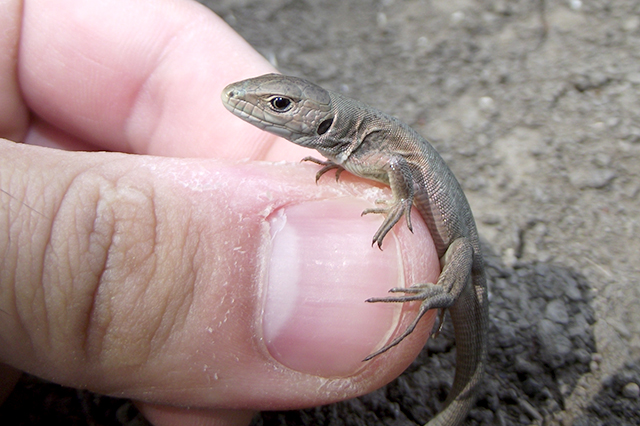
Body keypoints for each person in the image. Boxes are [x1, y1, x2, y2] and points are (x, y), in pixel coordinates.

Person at [0, 1, 440, 425]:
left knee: (460, 270)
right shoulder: (348, 145)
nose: (251, 102)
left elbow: (400, 166)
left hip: (456, 245)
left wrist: (403, 204)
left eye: (280, 104)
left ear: (324, 123)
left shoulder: (369, 151)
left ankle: (446, 304)